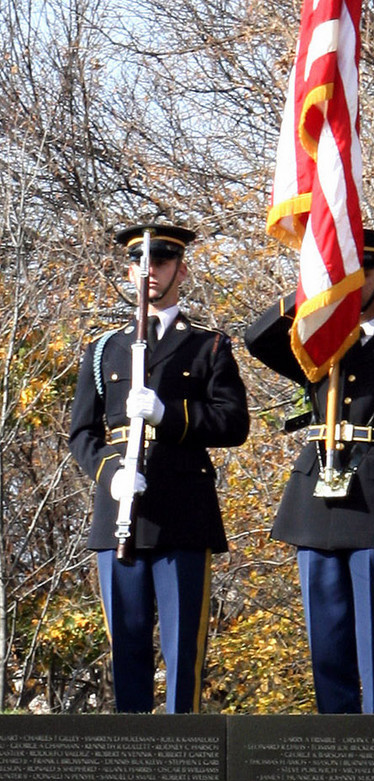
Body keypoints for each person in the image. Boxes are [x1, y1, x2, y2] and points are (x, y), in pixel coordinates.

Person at [242, 230, 374, 714]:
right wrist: (315, 284)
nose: (353, 283)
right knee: (326, 653)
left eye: (364, 272)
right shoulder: (318, 344)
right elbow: (256, 337)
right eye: (346, 273)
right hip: (315, 505)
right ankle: (334, 760)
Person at [68, 220, 250, 711]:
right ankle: (135, 765)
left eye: (162, 260)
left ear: (181, 271)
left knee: (182, 650)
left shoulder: (208, 346)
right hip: (121, 514)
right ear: (129, 272)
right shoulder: (103, 348)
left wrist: (170, 416)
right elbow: (81, 434)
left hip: (183, 513)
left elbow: (234, 423)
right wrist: (112, 473)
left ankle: (184, 759)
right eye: (139, 261)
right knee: (124, 648)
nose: (149, 270)